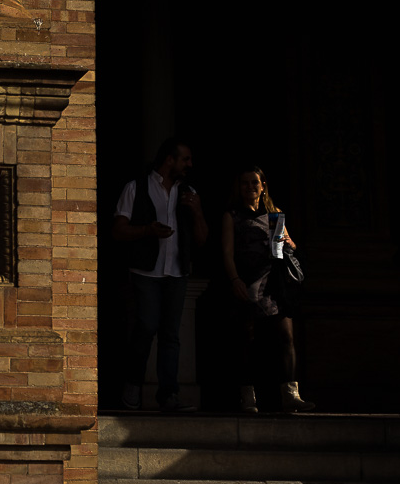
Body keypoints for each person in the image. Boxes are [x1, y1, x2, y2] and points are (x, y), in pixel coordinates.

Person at [112, 138, 209, 412]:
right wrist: (147, 231)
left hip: (176, 272)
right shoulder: (136, 187)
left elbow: (202, 239)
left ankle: (168, 395)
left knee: (170, 334)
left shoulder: (188, 192)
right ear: (169, 160)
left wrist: (198, 211)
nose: (189, 164)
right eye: (185, 159)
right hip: (146, 271)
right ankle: (132, 384)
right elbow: (117, 231)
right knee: (146, 327)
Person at [221, 166, 313, 413]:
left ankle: (291, 395)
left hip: (274, 284)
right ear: (238, 187)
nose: (250, 187)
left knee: (286, 336)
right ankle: (248, 398)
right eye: (244, 183)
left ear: (263, 186)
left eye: (254, 183)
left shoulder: (275, 214)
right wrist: (234, 279)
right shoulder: (232, 215)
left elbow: (287, 248)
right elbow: (227, 253)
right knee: (248, 339)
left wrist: (289, 243)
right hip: (248, 283)